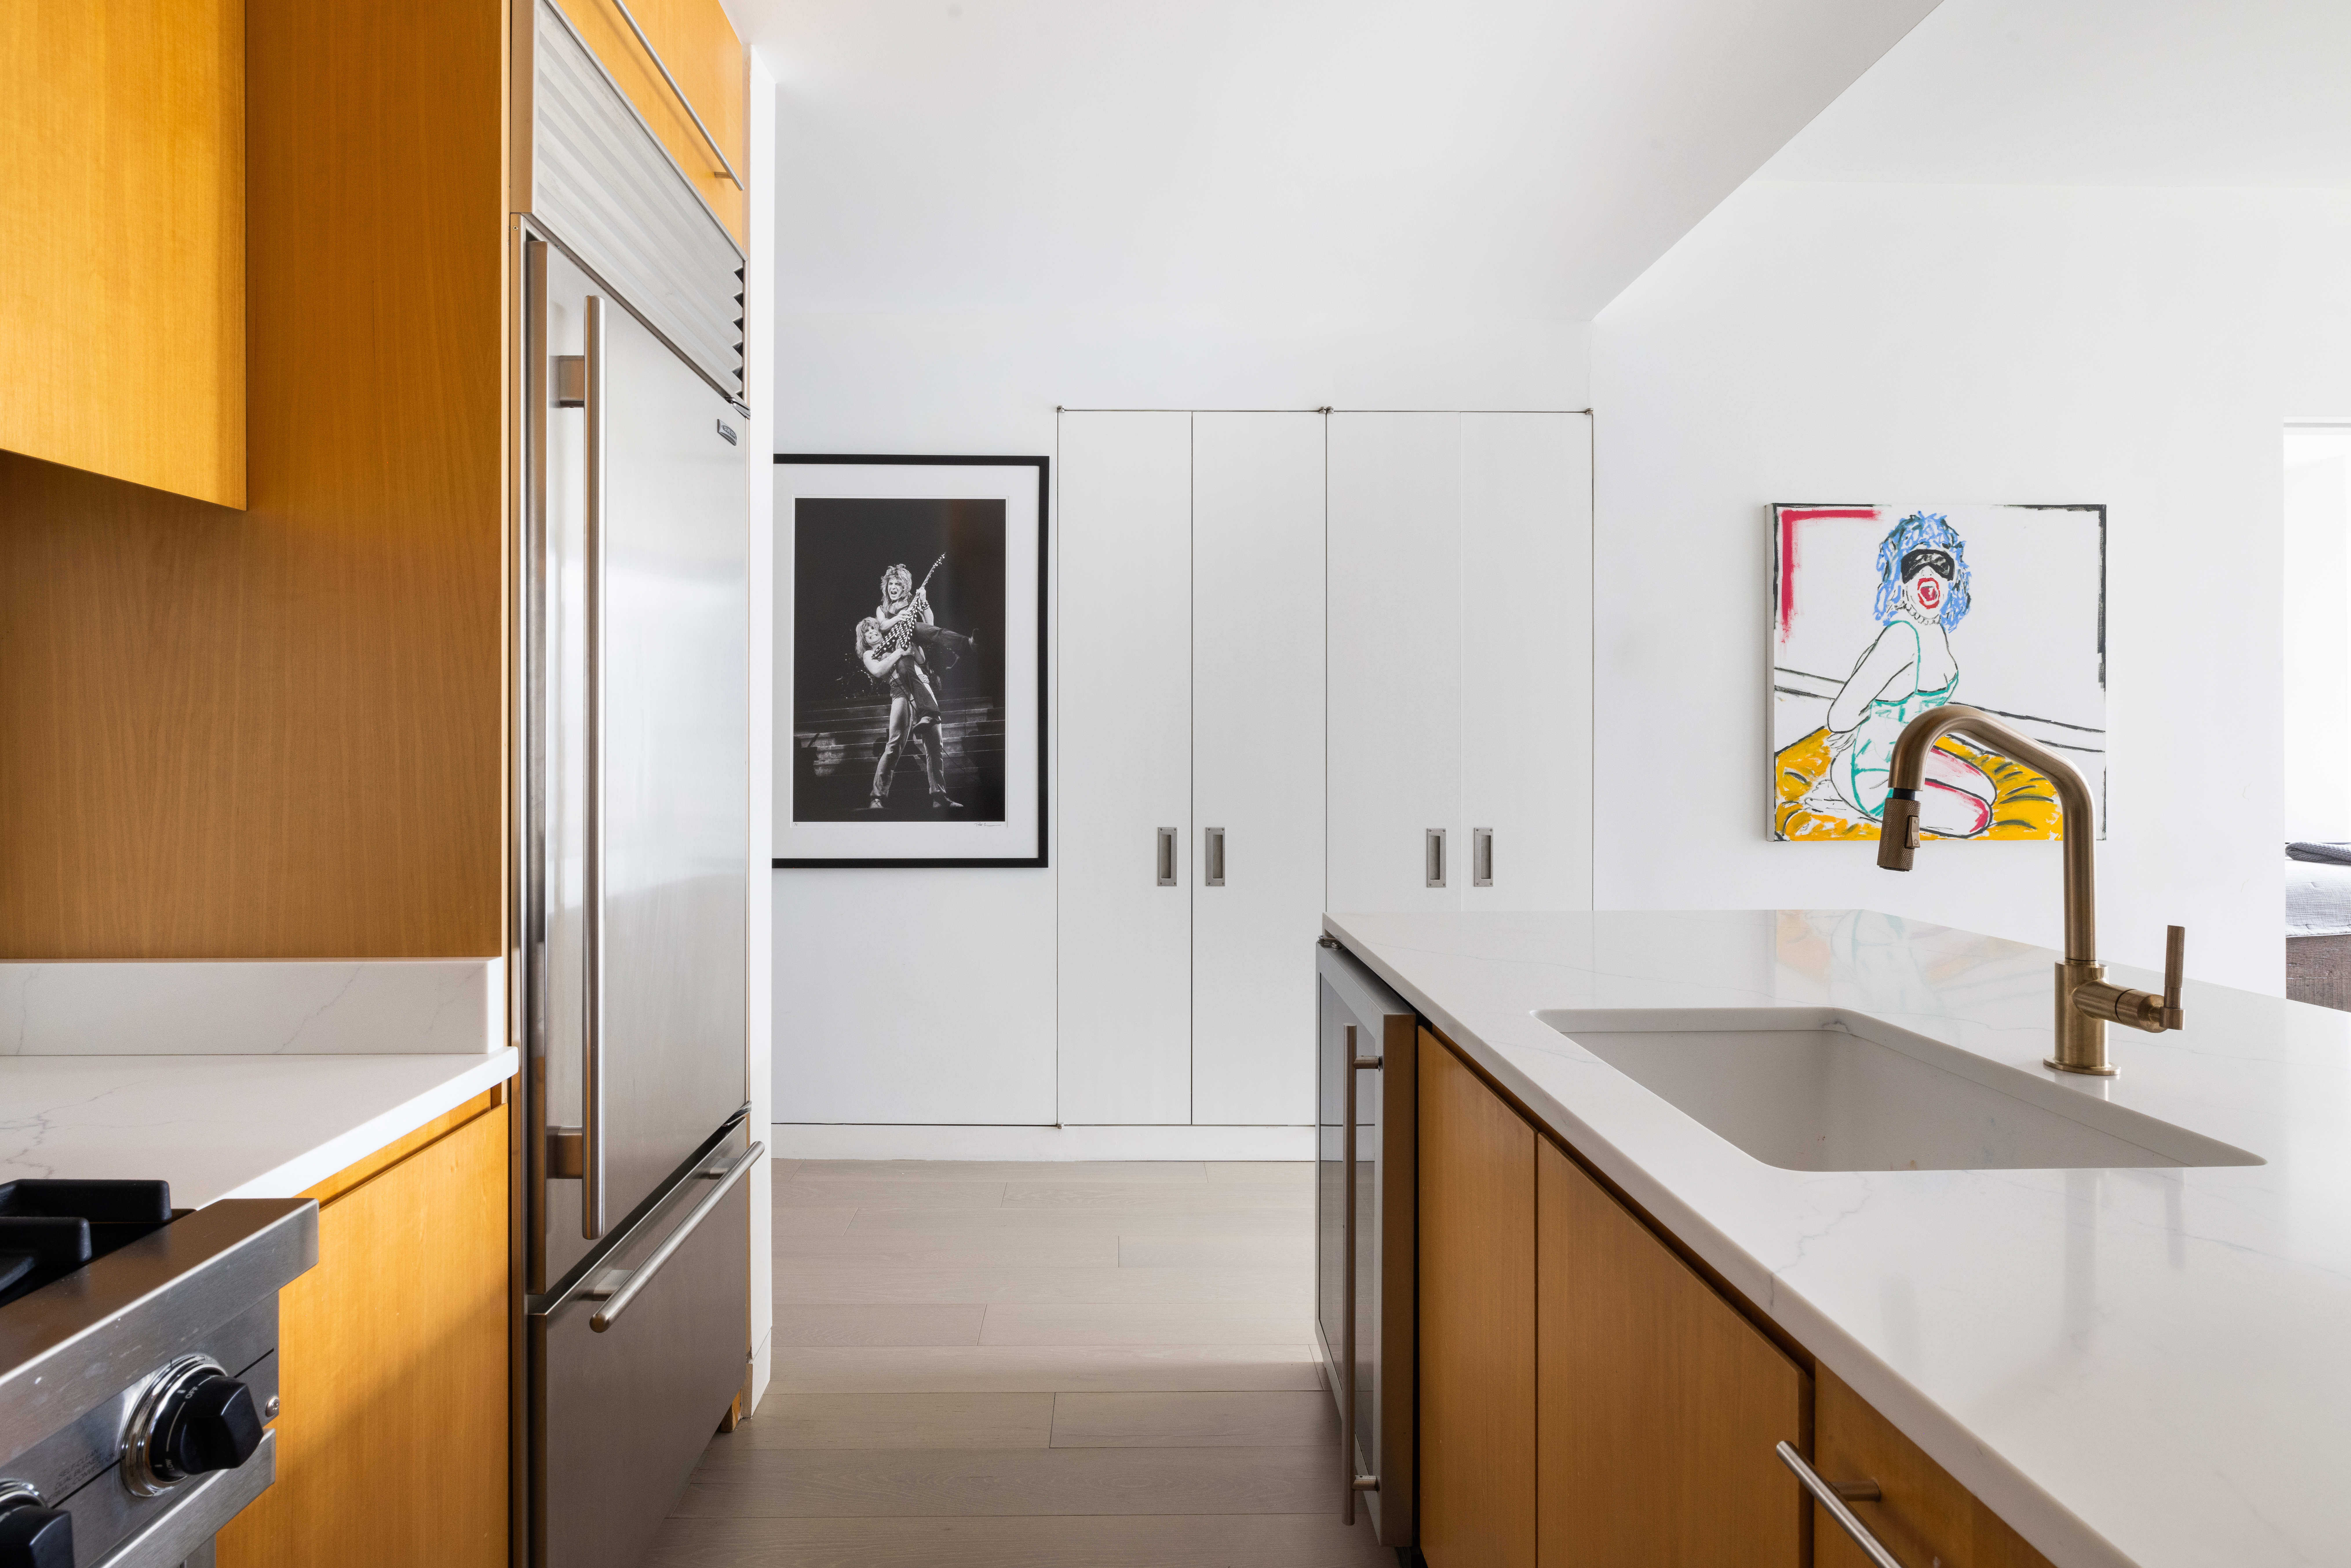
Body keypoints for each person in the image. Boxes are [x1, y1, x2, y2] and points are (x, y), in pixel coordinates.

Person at [1823, 512, 1996, 836]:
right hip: (1871, 775)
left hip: (1910, 757)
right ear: (1899, 579)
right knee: (1977, 816)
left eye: (1941, 565)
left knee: (1987, 790)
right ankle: (1853, 777)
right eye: (1915, 565)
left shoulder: (1935, 629)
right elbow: (1838, 717)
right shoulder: (1902, 637)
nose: (1928, 574)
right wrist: (1873, 728)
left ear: (1954, 577)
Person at [856, 561, 975, 811]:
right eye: (891, 584)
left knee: (934, 743)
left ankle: (939, 797)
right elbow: (880, 659)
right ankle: (877, 797)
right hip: (900, 691)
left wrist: (923, 603)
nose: (894, 588)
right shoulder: (873, 649)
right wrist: (899, 649)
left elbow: (927, 636)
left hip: (920, 681)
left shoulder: (906, 619)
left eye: (899, 584)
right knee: (895, 743)